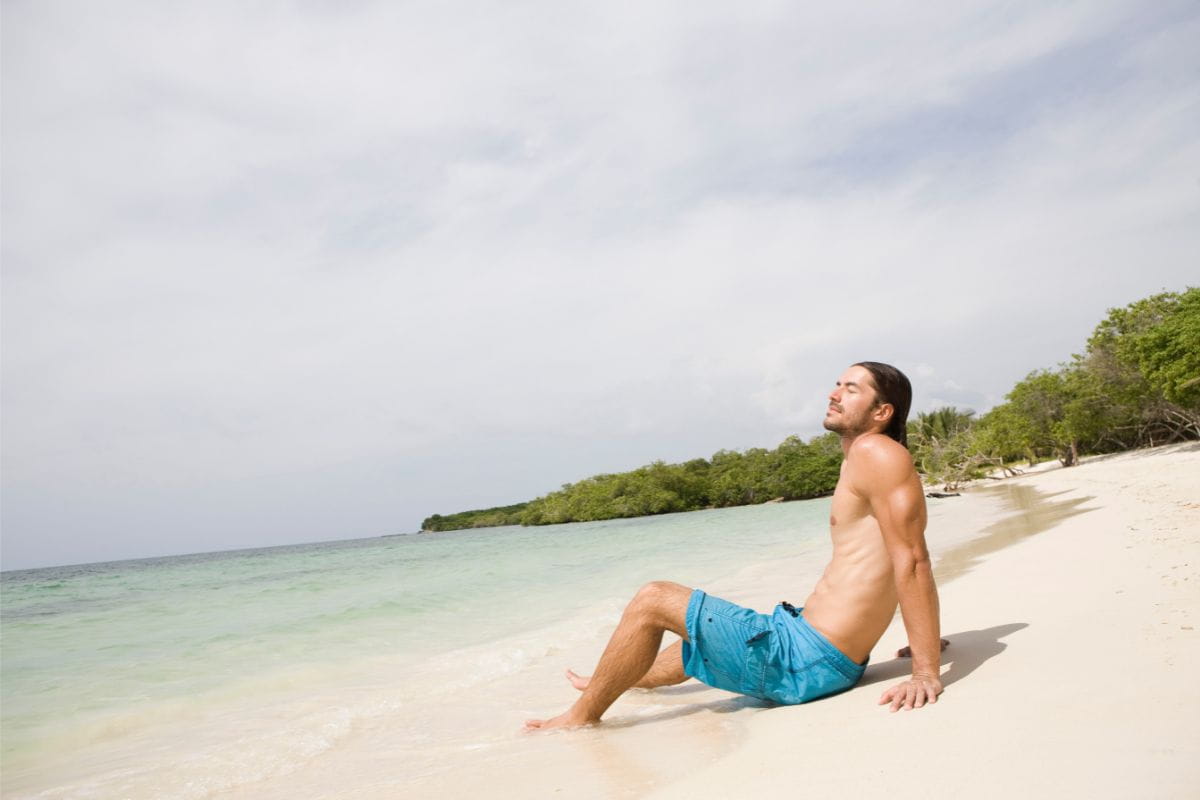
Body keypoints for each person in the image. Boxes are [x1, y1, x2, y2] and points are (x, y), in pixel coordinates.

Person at [524, 361, 945, 731]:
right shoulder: (863, 460)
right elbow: (883, 564)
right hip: (807, 642)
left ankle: (580, 716)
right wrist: (927, 639)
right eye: (837, 384)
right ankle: (615, 678)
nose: (834, 394)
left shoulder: (876, 451)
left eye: (852, 389)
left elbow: (911, 558)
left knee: (653, 600)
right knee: (695, 636)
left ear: (882, 411)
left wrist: (925, 670)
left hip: (805, 660)